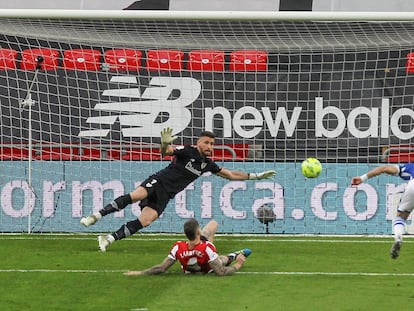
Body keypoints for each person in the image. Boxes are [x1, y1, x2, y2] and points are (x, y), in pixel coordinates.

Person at [81, 127, 276, 251]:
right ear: (199, 142)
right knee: (136, 195)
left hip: (167, 194)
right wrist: (165, 142)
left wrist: (255, 176)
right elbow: (166, 151)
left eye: (212, 144)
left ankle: (108, 238)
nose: (210, 146)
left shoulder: (207, 164)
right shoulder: (188, 151)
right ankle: (95, 216)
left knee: (146, 221)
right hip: (158, 181)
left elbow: (231, 175)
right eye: (206, 142)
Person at [124, 218, 251, 276]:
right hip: (208, 268)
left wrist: (140, 272)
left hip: (189, 269)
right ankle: (233, 256)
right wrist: (238, 265)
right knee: (221, 260)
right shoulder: (206, 248)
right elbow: (221, 271)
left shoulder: (178, 247)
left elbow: (161, 268)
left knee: (212, 229)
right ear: (198, 233)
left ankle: (232, 256)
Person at [351, 163, 414, 259]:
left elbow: (383, 168)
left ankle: (398, 237)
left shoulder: (409, 167)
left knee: (400, 216)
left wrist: (362, 178)